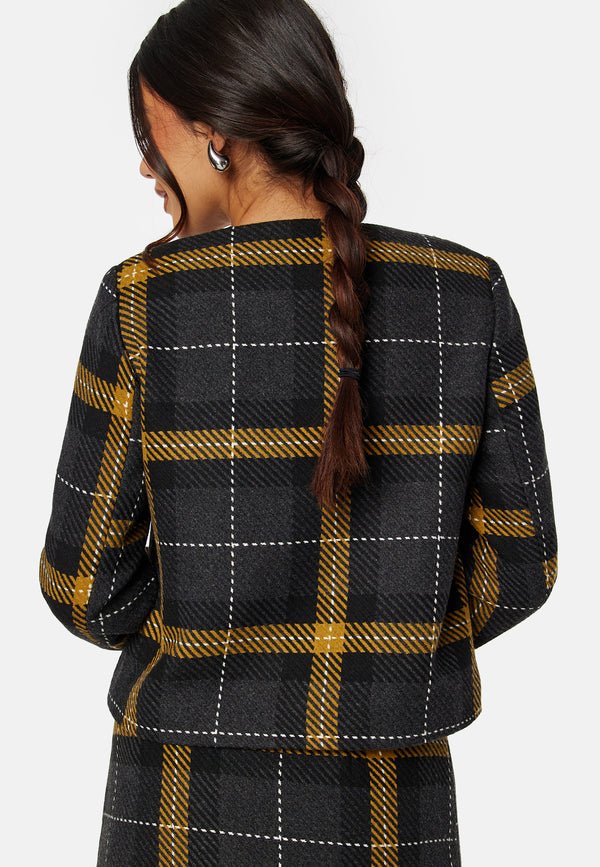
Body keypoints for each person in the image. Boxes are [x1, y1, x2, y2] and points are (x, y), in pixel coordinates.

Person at [39, 0, 558, 863]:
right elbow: (522, 568)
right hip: (390, 806)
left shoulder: (139, 303)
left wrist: (196, 625)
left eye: (147, 131)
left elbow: (82, 587)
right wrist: (394, 640)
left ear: (215, 133)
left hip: (179, 803)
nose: (143, 162)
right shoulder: (466, 294)